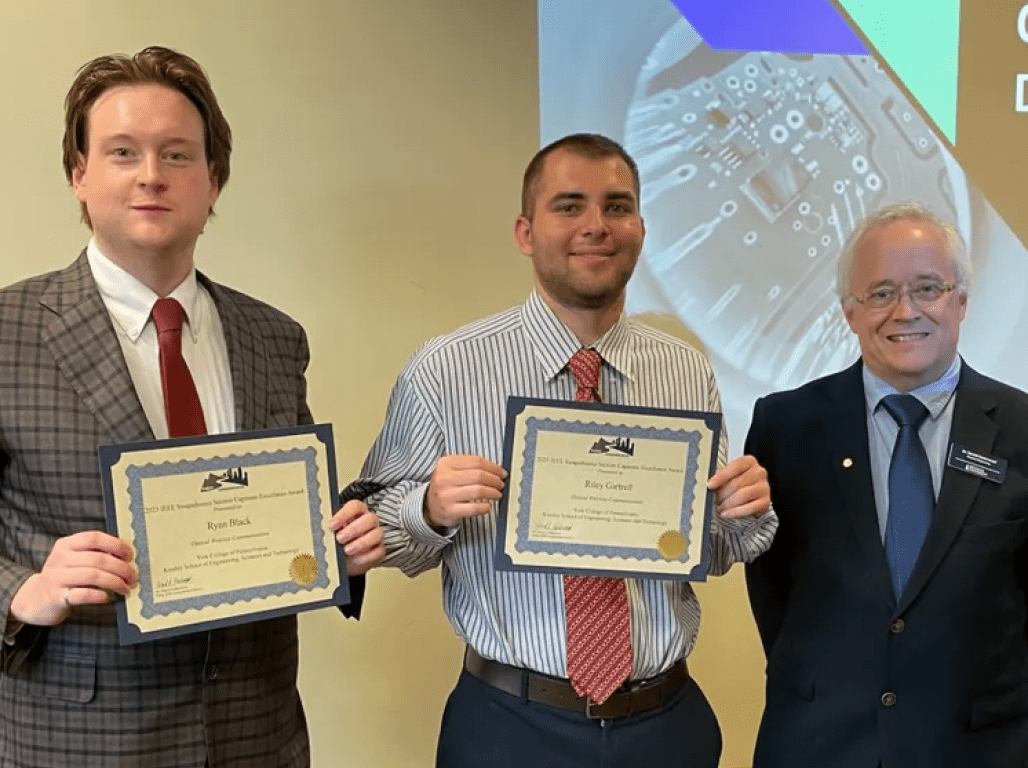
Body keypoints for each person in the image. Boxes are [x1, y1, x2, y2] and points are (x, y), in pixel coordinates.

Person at [0, 46, 384, 767]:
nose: (151, 176)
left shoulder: (274, 337)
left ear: (213, 181)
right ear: (79, 176)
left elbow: (276, 513)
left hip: (256, 732)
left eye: (177, 155)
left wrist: (340, 546)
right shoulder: (7, 331)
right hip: (79, 740)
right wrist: (23, 590)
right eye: (123, 152)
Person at [353, 133, 776, 768]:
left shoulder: (686, 372)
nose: (595, 226)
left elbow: (709, 553)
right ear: (525, 232)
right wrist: (430, 508)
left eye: (616, 206)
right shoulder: (448, 367)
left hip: (664, 725)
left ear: (639, 227)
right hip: (509, 728)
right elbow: (373, 536)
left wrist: (740, 514)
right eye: (569, 205)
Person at [745, 201, 1028, 767]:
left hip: (981, 748)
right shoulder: (786, 426)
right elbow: (773, 589)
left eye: (929, 288)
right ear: (849, 311)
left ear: (962, 301)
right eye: (880, 293)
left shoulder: (1023, 429)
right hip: (820, 745)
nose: (906, 311)